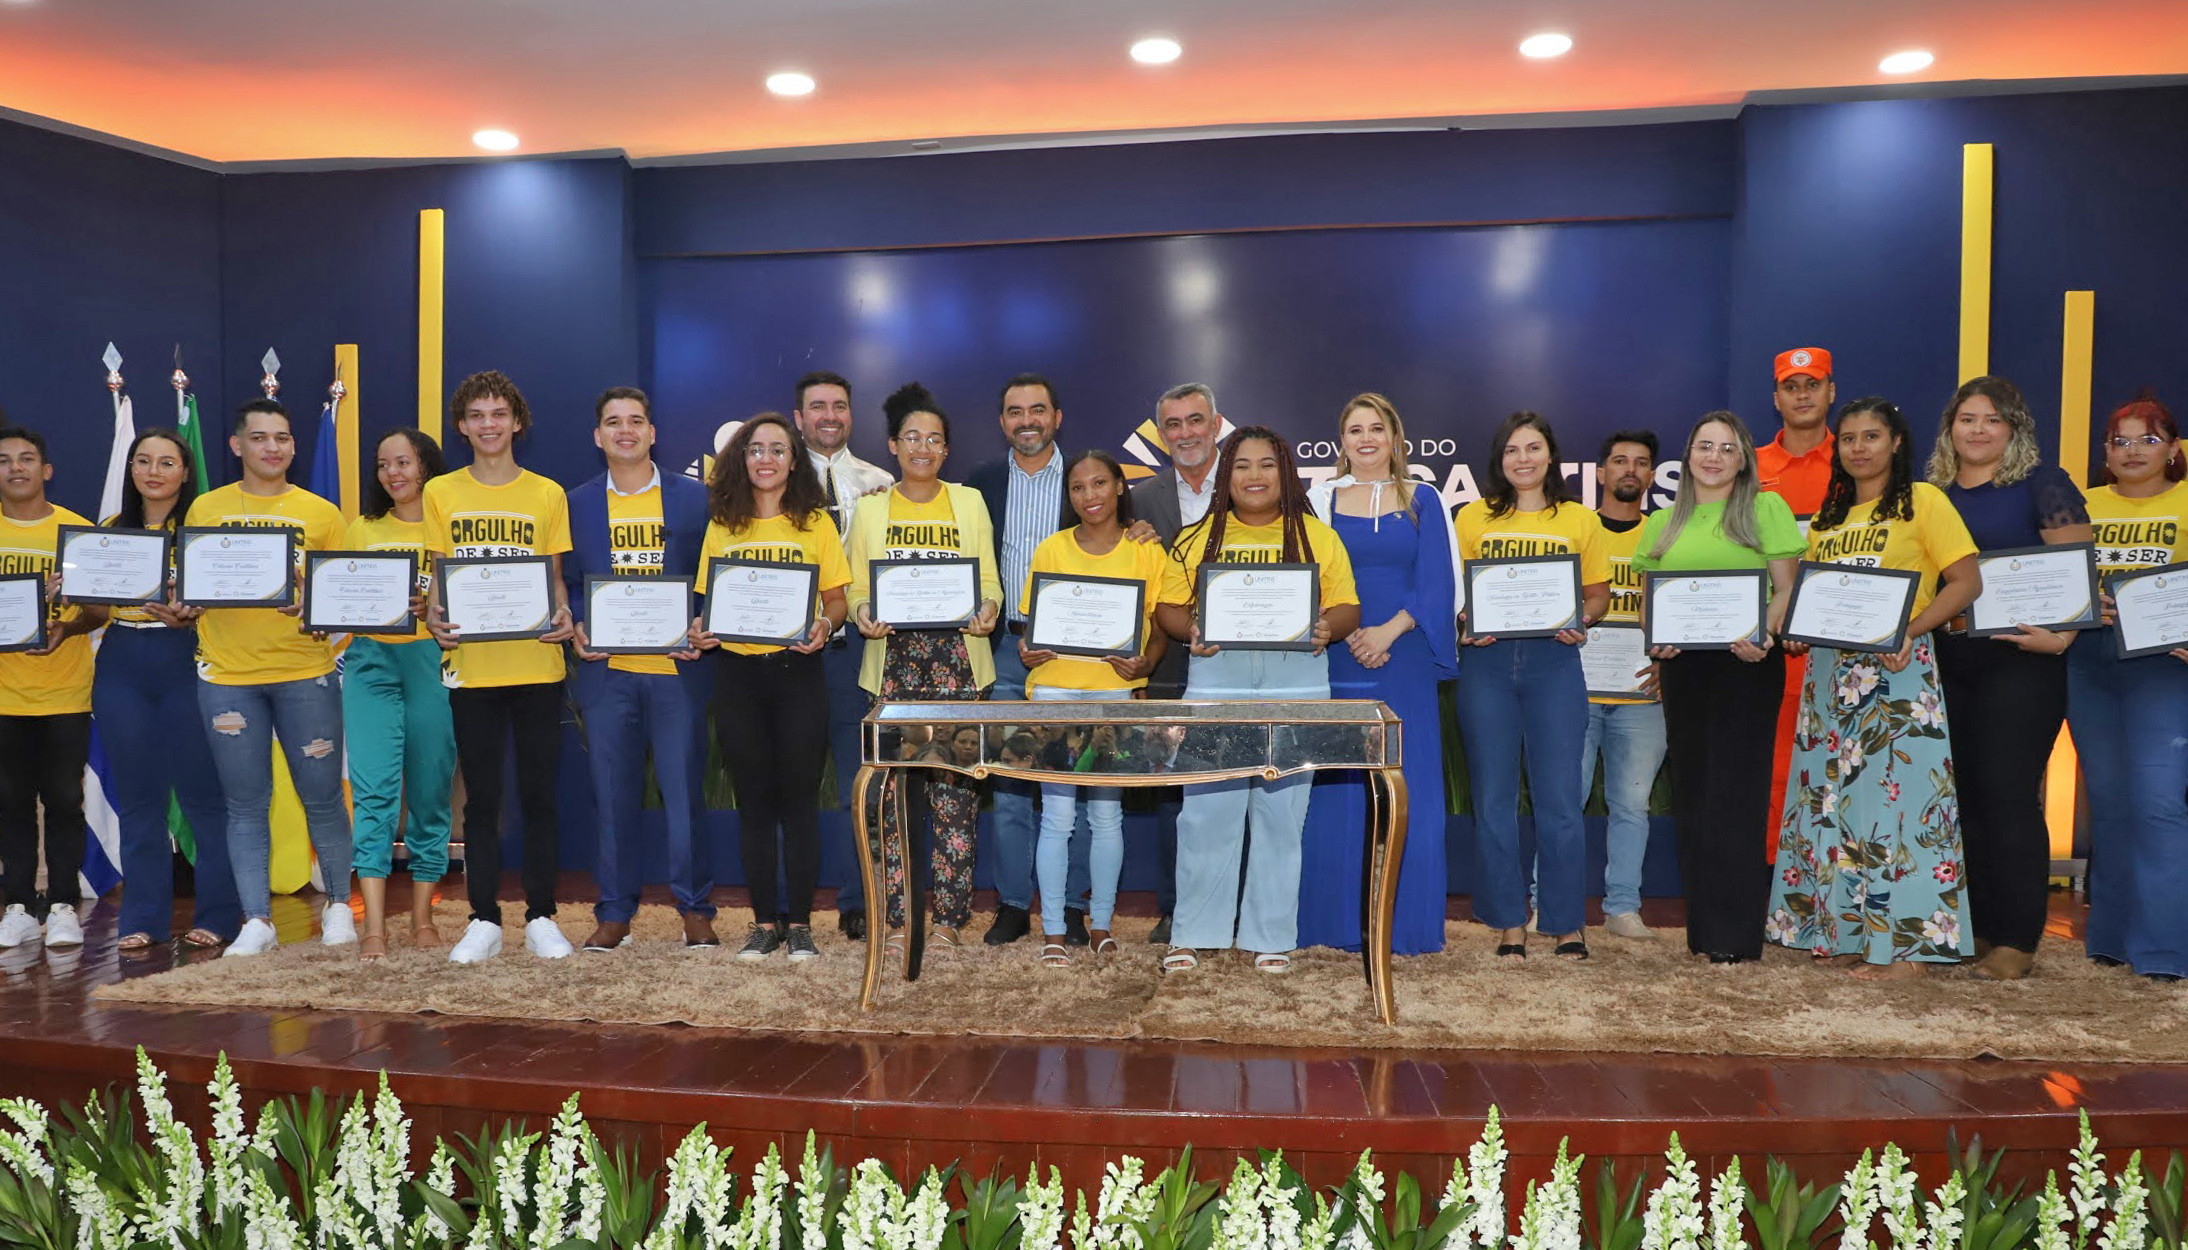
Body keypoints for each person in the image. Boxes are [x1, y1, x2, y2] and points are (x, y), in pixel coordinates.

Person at [1769, 397, 1980, 978]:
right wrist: (1797, 630)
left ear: (1896, 442)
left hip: (1897, 670)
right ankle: (1847, 934)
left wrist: (1911, 630)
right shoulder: (1828, 518)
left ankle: (1906, 949)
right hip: (1829, 677)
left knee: (1900, 807)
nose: (1858, 448)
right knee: (1833, 804)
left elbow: (1966, 582)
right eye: (1848, 439)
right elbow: (1813, 596)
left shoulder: (1924, 501)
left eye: (1871, 436)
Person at [1153, 427, 1360, 975]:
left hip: (1297, 691)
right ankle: (1193, 933)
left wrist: (1328, 627)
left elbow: (1348, 608)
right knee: (1206, 817)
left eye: (1267, 464)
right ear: (1226, 475)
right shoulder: (1197, 538)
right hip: (1215, 690)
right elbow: (1167, 608)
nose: (1254, 476)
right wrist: (1190, 628)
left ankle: (1271, 937)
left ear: (1285, 473)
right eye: (1242, 465)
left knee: (1281, 818)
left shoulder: (1318, 537)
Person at [1927, 377, 2091, 981]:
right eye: (1966, 419)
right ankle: (1975, 926)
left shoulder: (2042, 484)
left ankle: (2018, 939)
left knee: (2007, 793)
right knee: (1960, 795)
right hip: (1948, 660)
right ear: (1950, 428)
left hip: (2021, 661)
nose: (1978, 430)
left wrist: (2063, 637)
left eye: (1992, 420)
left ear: (2015, 428)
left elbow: (2078, 569)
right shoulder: (1932, 495)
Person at [182, 400, 354, 957]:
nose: (272, 447)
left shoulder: (322, 513)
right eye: (259, 437)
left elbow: (344, 593)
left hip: (306, 672)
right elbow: (189, 582)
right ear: (237, 446)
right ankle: (257, 919)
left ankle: (338, 907)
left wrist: (313, 602)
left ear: (294, 446)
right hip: (228, 678)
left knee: (323, 798)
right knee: (244, 803)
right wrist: (183, 602)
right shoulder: (206, 508)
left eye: (282, 437)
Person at [1633, 412, 1804, 963]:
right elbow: (1648, 603)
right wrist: (1656, 639)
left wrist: (1765, 635)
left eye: (1727, 448)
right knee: (1693, 793)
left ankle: (1735, 936)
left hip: (1747, 666)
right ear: (1688, 457)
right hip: (1684, 669)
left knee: (1737, 795)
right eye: (1704, 446)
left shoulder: (1765, 509)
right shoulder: (1663, 523)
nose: (1714, 457)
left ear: (1743, 459)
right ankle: (1703, 931)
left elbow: (1786, 589)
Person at [423, 371, 577, 964]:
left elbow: (554, 579)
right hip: (472, 667)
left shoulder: (547, 493)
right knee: (481, 803)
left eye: (498, 414)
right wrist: (434, 616)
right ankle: (483, 918)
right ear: (462, 427)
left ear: (517, 422)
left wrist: (562, 615)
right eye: (477, 415)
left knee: (540, 798)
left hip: (537, 665)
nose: (488, 425)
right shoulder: (441, 492)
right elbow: (440, 576)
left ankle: (541, 915)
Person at [845, 382, 1002, 954]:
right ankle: (895, 915)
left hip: (959, 663)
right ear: (893, 445)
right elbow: (857, 586)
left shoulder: (969, 502)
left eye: (934, 439)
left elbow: (988, 579)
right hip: (893, 666)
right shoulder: (870, 509)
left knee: (955, 797)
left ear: (946, 449)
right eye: (912, 437)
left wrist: (989, 609)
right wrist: (862, 612)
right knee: (888, 797)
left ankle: (948, 919)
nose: (923, 447)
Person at [1299, 394, 1458, 956]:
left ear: (1395, 438)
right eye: (1354, 430)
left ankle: (1407, 926)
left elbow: (1439, 581)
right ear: (1341, 441)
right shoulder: (1319, 500)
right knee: (1334, 786)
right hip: (1336, 656)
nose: (1366, 439)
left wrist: (1388, 631)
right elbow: (1308, 574)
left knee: (1407, 785)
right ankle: (1331, 925)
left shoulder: (1425, 499)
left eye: (1376, 428)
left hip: (1404, 656)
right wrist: (1346, 632)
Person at [562, 387, 716, 952]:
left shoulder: (696, 499)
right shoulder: (574, 503)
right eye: (613, 422)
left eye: (635, 420)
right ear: (597, 436)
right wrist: (577, 622)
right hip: (608, 672)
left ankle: (695, 909)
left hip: (677, 671)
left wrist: (703, 621)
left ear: (653, 432)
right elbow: (566, 582)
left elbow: (714, 575)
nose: (624, 430)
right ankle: (614, 912)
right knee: (611, 797)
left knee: (684, 797)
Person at [693, 412, 849, 964]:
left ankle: (800, 924)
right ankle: (763, 924)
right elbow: (710, 605)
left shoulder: (816, 523)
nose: (766, 459)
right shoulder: (723, 524)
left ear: (793, 460)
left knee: (799, 802)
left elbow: (837, 600)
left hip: (797, 675)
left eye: (778, 450)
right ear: (742, 458)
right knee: (754, 803)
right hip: (738, 676)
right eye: (756, 449)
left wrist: (824, 625)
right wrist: (701, 628)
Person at [1452, 412, 1608, 961]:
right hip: (1487, 666)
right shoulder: (1471, 518)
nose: (1523, 459)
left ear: (1550, 455)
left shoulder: (1580, 519)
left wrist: (1582, 619)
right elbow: (1456, 595)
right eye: (1512, 450)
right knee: (1493, 799)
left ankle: (1566, 923)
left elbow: (1597, 595)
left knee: (1560, 800)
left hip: (1555, 664)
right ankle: (1508, 923)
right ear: (1500, 459)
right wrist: (1464, 620)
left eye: (1533, 448)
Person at [1017, 451, 1168, 965]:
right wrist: (1027, 650)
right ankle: (1054, 930)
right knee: (1057, 818)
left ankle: (1101, 922)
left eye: (1100, 483)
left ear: (1120, 486)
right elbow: (1031, 630)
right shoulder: (1052, 548)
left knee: (1107, 817)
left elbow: (1162, 627)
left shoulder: (1146, 549)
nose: (1090, 495)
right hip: (1054, 691)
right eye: (1078, 488)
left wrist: (1145, 664)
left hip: (1112, 694)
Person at [96, 429, 238, 952]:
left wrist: (193, 613)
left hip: (185, 658)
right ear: (131, 469)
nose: (153, 472)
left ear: (185, 472)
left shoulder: (204, 533)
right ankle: (143, 918)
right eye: (143, 461)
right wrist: (70, 594)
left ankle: (220, 914)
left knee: (204, 797)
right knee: (138, 799)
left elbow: (225, 596)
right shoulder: (108, 532)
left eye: (166, 462)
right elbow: (96, 608)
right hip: (121, 661)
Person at [2072, 394, 2188, 983]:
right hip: (2088, 663)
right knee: (2110, 803)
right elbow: (2052, 580)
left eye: (2148, 439)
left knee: (2158, 801)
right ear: (2106, 452)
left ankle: (2166, 948)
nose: (2133, 451)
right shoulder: (2081, 505)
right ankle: (2112, 939)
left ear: (2173, 449)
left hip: (2162, 666)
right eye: (2120, 441)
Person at [967, 374, 1083, 948]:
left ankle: (1073, 906)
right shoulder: (981, 484)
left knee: (1076, 781)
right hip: (1006, 650)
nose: (1027, 420)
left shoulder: (1087, 477)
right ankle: (1013, 904)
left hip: (1077, 655)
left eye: (1038, 409)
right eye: (1015, 411)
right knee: (1011, 786)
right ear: (1002, 422)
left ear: (1057, 417)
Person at [340, 428, 457, 961]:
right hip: (370, 664)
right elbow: (338, 595)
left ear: (426, 466)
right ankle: (373, 928)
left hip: (432, 663)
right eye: (384, 464)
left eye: (403, 462)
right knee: (374, 793)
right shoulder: (361, 529)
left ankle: (423, 917)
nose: (393, 473)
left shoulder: (448, 527)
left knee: (431, 791)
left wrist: (432, 606)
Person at [1127, 382, 1226, 944]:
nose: (1185, 433)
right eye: (1173, 424)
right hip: (1168, 663)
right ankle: (1175, 910)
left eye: (1195, 420)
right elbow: (1133, 588)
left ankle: (1237, 908)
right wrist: (1141, 668)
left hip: (1240, 662)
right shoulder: (1141, 501)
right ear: (1161, 434)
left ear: (1216, 425)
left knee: (1239, 785)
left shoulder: (1250, 482)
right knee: (1174, 794)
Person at [0, 426, 106, 950]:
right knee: (10, 803)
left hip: (65, 693)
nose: (15, 468)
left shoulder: (77, 532)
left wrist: (67, 624)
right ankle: (18, 906)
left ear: (46, 470)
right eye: (4, 460)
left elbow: (99, 611)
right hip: (4, 698)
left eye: (26, 459)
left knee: (65, 801)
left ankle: (63, 904)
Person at [796, 371, 894, 944]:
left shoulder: (883, 484)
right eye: (817, 406)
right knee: (794, 778)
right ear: (799, 417)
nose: (829, 415)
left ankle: (858, 899)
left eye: (839, 405)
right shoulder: (776, 479)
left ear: (852, 415)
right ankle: (788, 904)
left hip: (858, 647)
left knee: (857, 780)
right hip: (790, 646)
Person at [1577, 429, 1665, 941]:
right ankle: (1550, 902)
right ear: (1601, 471)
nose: (1630, 469)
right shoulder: (1577, 529)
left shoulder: (1666, 534)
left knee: (1633, 805)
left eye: (1640, 462)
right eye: (1619, 460)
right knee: (1563, 800)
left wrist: (1670, 664)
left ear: (1652, 474)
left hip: (1642, 695)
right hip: (1575, 691)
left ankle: (1623, 907)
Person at [1758, 348, 1839, 852]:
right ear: (1776, 398)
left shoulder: (1856, 460)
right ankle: (1773, 878)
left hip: (1843, 644)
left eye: (1813, 384)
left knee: (1841, 768)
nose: (1802, 395)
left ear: (1831, 392)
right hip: (1772, 647)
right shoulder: (1749, 466)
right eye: (1791, 386)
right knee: (1775, 770)